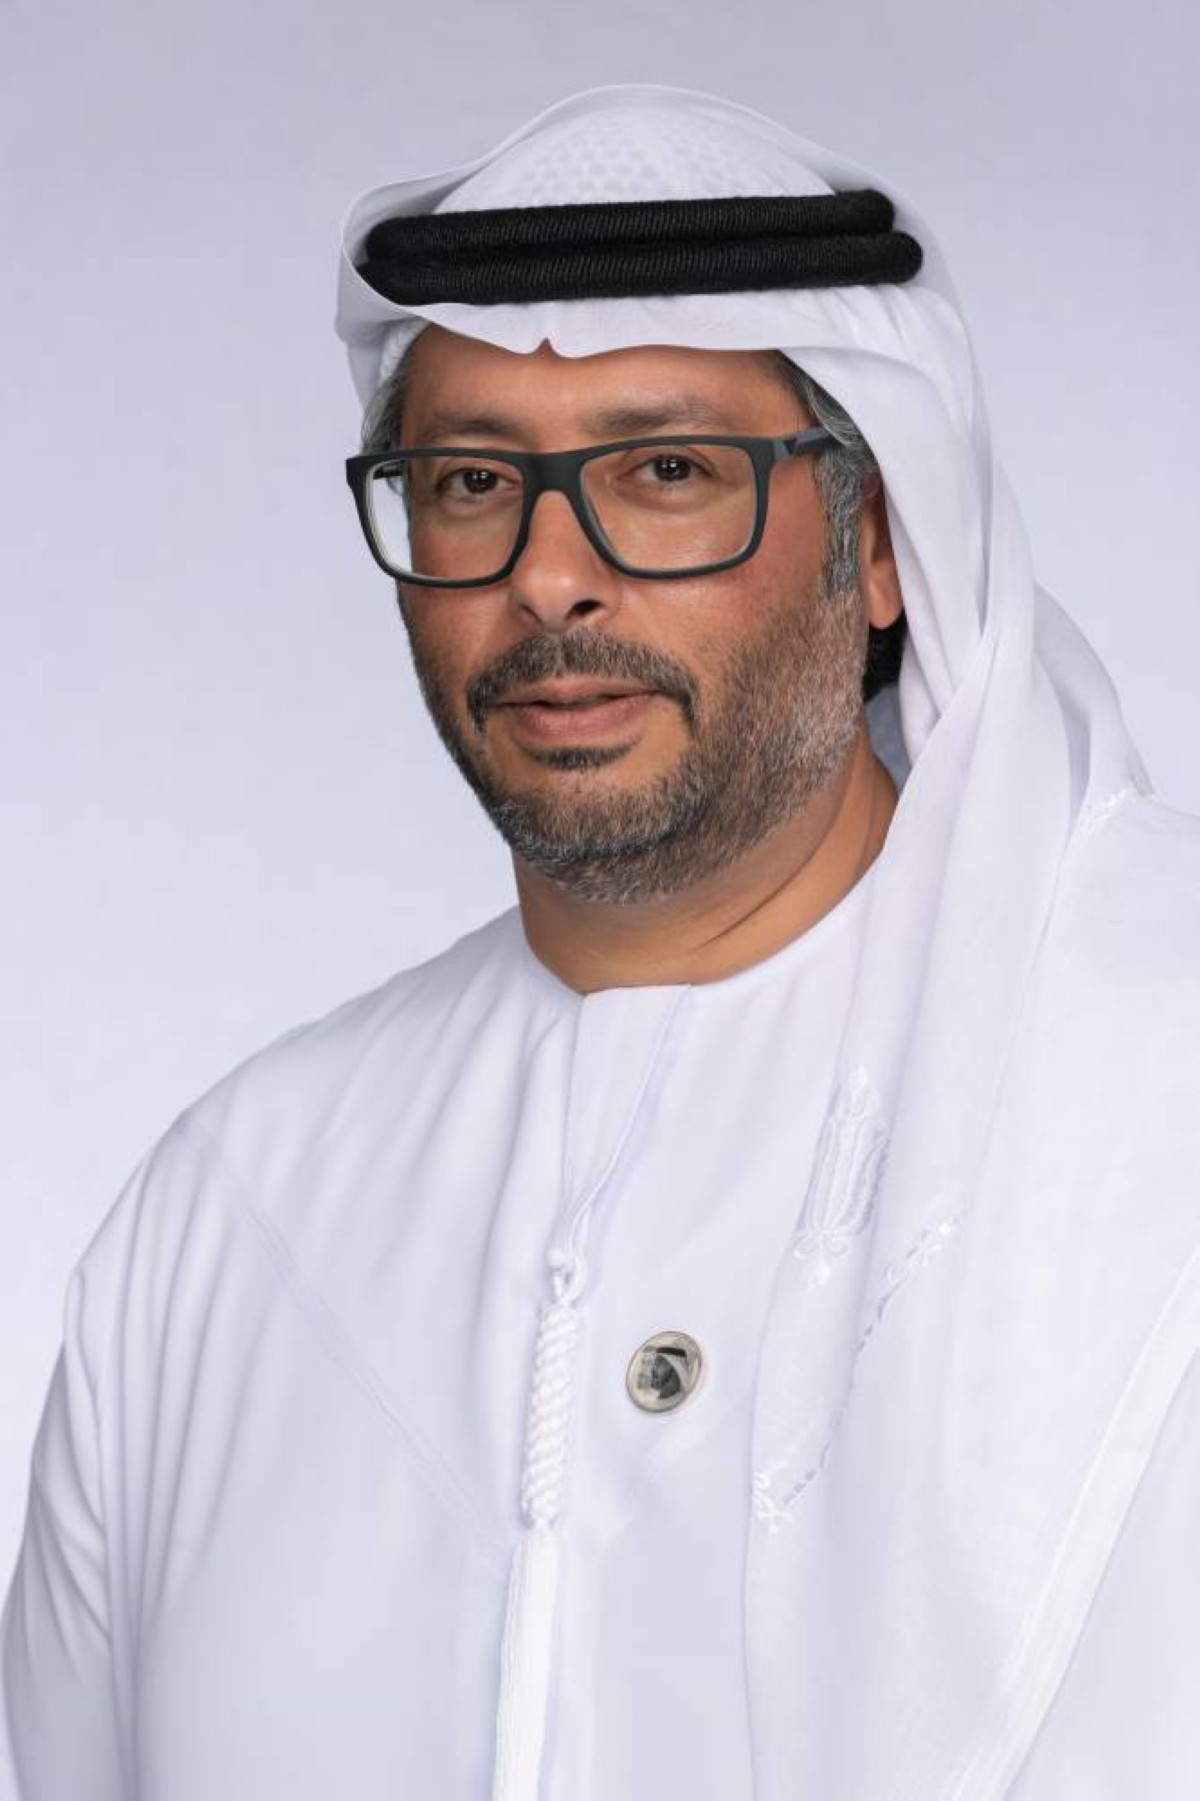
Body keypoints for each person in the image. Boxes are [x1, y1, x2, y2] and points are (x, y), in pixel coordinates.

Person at [2, 85, 1197, 1801]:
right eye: (473, 482)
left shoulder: (1156, 1083)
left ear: (877, 542)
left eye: (667, 471)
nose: (551, 576)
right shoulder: (218, 1228)